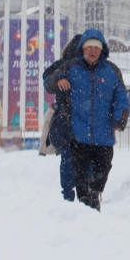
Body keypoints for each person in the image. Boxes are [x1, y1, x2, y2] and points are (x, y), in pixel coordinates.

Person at [63, 29, 130, 210]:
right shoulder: (71, 69)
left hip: (104, 136)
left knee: (103, 171)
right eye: (89, 47)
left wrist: (119, 119)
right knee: (81, 178)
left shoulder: (112, 71)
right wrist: (57, 81)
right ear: (82, 49)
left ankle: (94, 196)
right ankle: (86, 205)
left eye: (97, 48)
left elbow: (122, 98)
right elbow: (50, 80)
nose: (93, 51)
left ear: (102, 51)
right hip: (79, 135)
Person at [43, 35, 85, 201]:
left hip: (67, 123)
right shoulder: (65, 67)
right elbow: (48, 81)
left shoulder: (63, 66)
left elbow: (47, 79)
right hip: (74, 123)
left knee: (69, 160)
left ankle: (69, 194)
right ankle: (83, 193)